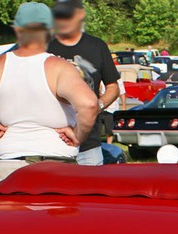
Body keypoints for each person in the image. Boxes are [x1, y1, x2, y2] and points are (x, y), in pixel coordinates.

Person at [0, 2, 98, 185]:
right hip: (56, 168)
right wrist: (78, 135)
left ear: (17, 28)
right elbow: (88, 104)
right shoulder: (59, 68)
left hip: (9, 170)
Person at [47, 0, 121, 166]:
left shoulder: (97, 46)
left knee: (90, 191)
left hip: (89, 144)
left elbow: (113, 87)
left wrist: (98, 106)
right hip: (51, 143)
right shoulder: (44, 47)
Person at [99, 78, 125, 144]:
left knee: (109, 130)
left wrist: (123, 106)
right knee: (97, 128)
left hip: (112, 109)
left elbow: (122, 93)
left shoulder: (118, 80)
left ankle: (109, 144)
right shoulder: (100, 79)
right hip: (100, 109)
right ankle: (98, 144)